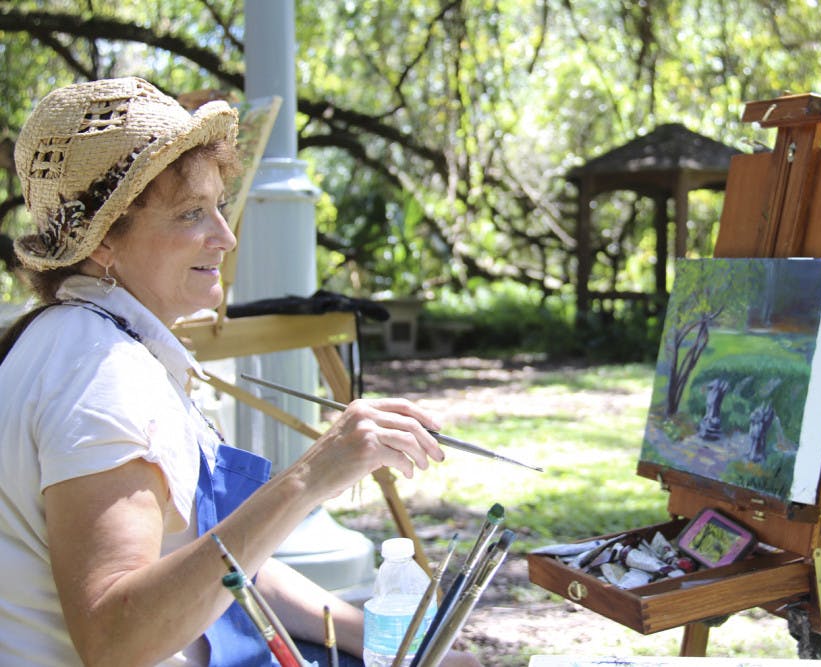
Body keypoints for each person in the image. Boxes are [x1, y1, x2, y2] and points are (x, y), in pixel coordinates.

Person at [0, 77, 480, 667]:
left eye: (218, 208)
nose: (224, 237)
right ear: (102, 242)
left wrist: (399, 647)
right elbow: (115, 638)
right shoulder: (97, 372)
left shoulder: (101, 339)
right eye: (189, 215)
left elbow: (225, 564)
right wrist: (310, 477)